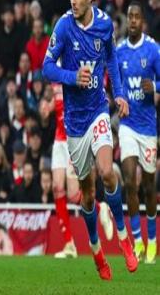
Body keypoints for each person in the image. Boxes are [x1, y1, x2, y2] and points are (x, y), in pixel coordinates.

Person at [42, 0, 137, 280]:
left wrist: (118, 93)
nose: (73, 0)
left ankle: (123, 238)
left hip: (97, 110)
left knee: (107, 172)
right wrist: (72, 77)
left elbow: (111, 58)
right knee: (86, 194)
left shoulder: (105, 24)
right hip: (74, 124)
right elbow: (46, 67)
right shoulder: (63, 27)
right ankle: (96, 251)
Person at [117, 3, 160, 264]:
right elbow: (115, 83)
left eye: (136, 16)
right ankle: (137, 241)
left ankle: (152, 240)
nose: (133, 20)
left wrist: (154, 85)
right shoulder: (119, 51)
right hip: (128, 126)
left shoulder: (153, 49)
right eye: (130, 16)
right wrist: (118, 98)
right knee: (129, 182)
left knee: (148, 187)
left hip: (148, 128)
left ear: (142, 21)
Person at [49, 83, 113, 259]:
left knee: (73, 194)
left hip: (75, 135)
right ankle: (69, 244)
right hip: (59, 139)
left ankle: (100, 208)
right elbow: (55, 99)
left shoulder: (77, 70)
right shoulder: (54, 75)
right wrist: (48, 106)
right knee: (56, 188)